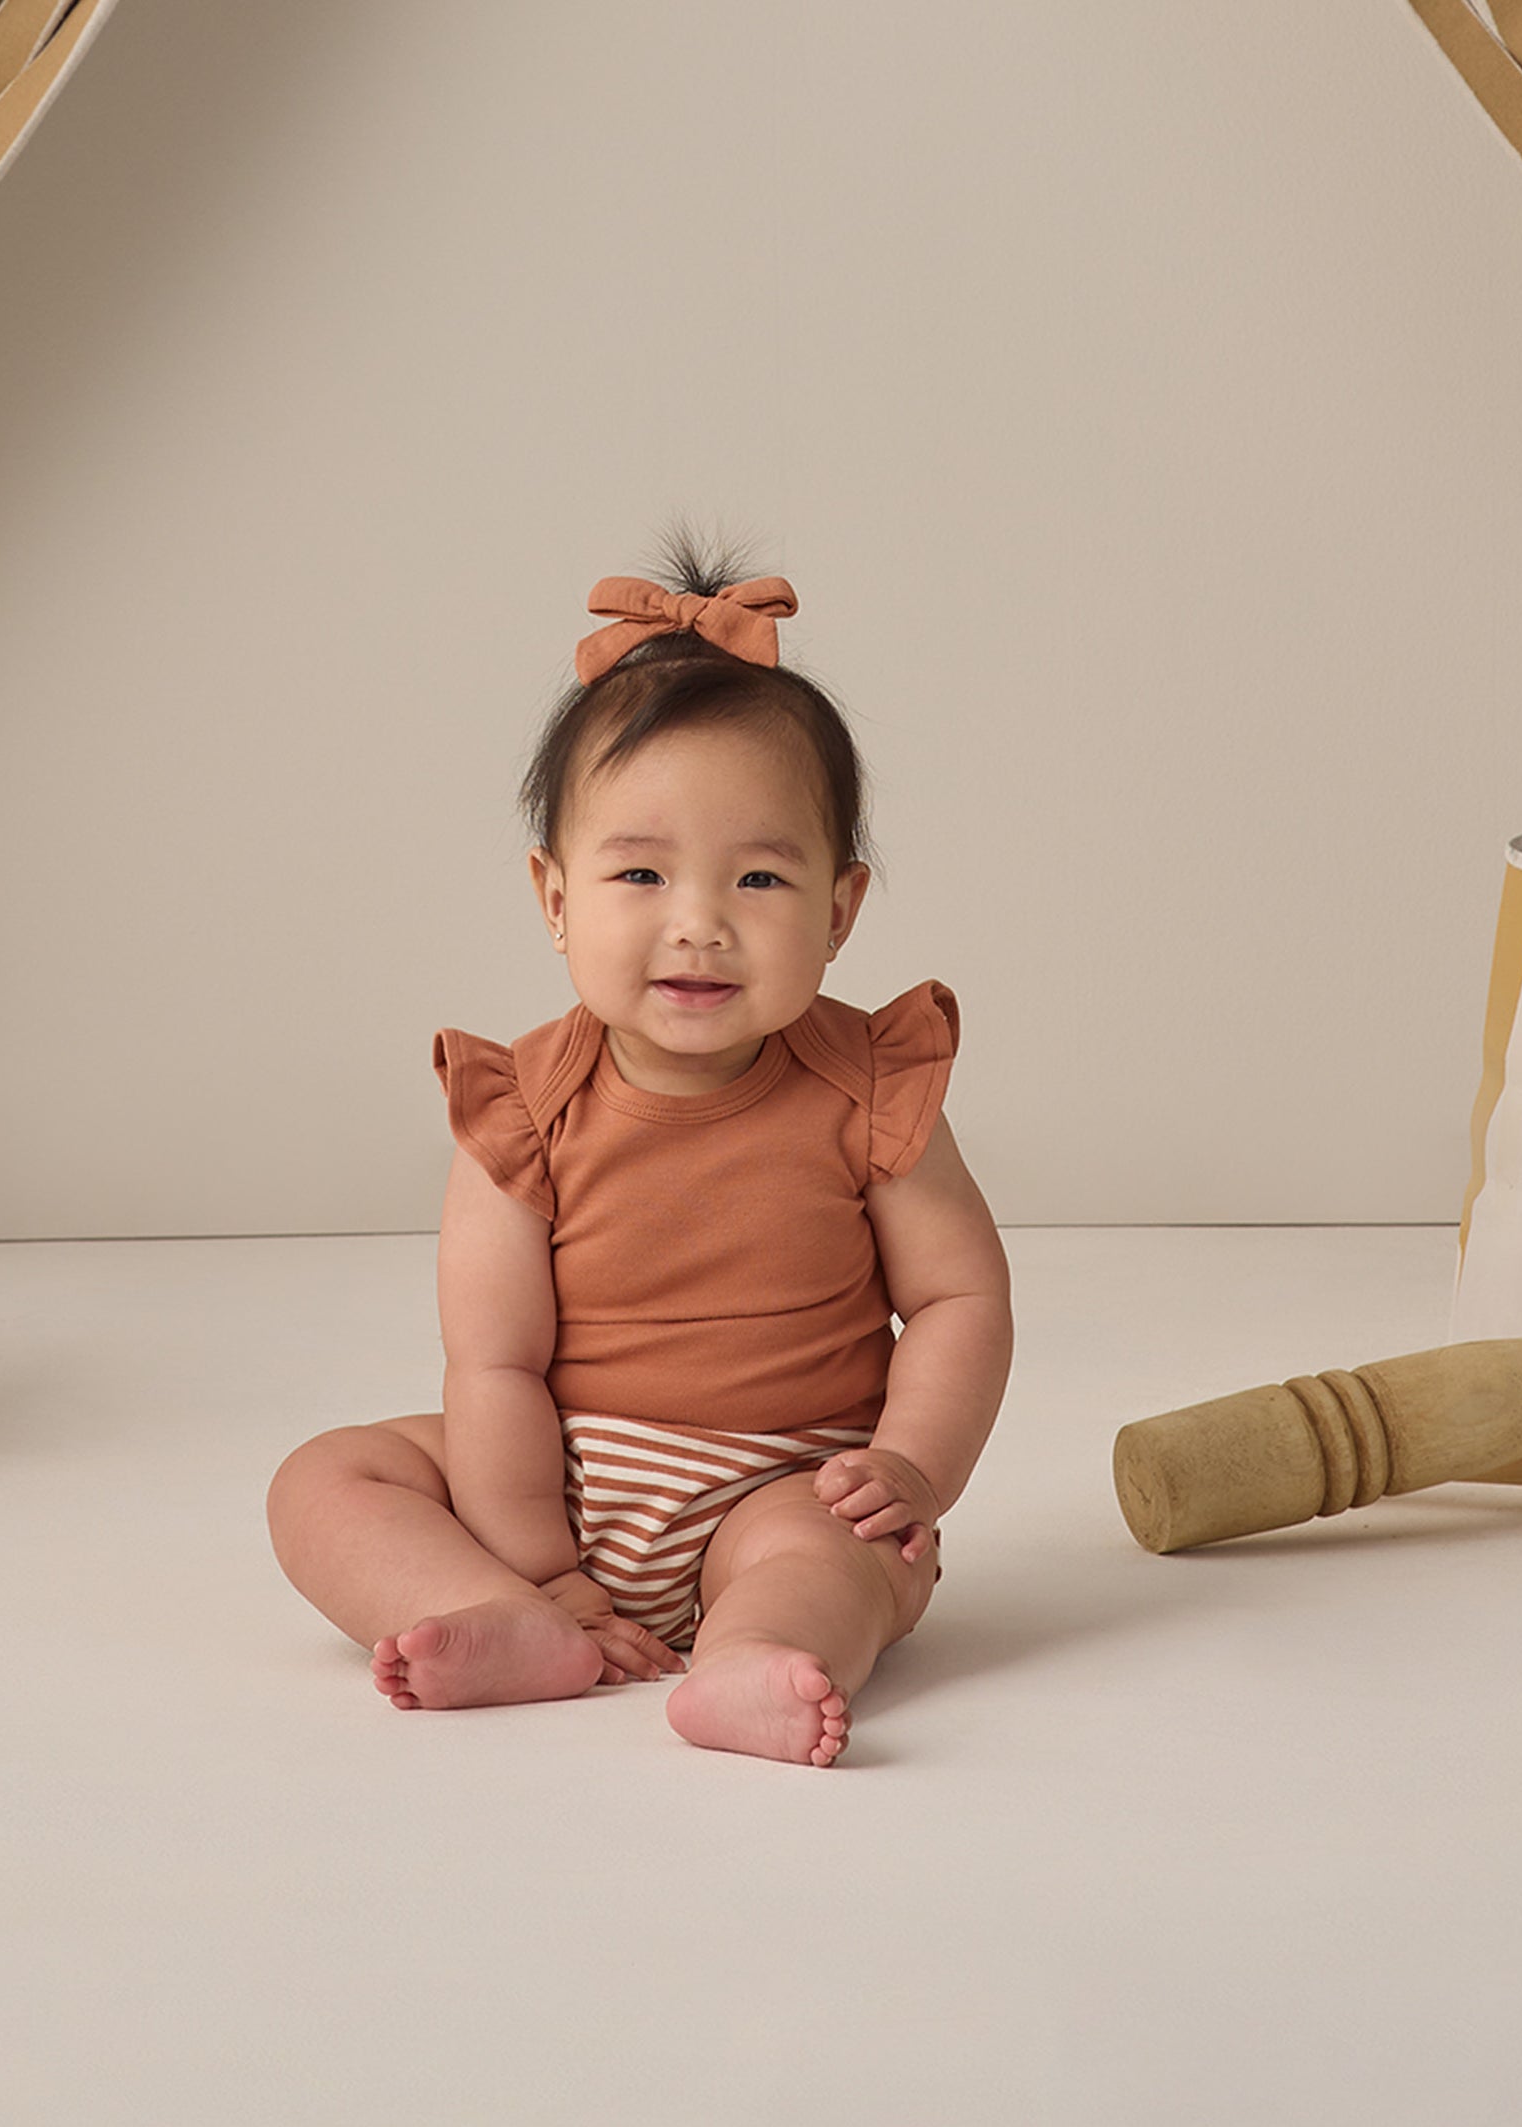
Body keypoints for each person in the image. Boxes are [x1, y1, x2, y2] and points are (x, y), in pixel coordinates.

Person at [267, 545, 1012, 1765]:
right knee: (325, 1480)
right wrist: (543, 1567)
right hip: (551, 1472)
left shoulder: (872, 1088)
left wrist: (911, 1468)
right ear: (555, 897)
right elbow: (495, 1364)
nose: (697, 923)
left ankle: (754, 1655)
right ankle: (496, 1615)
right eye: (640, 873)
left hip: (785, 1481)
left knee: (843, 1558)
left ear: (837, 910)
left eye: (758, 876)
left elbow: (958, 1299)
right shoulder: (521, 1108)